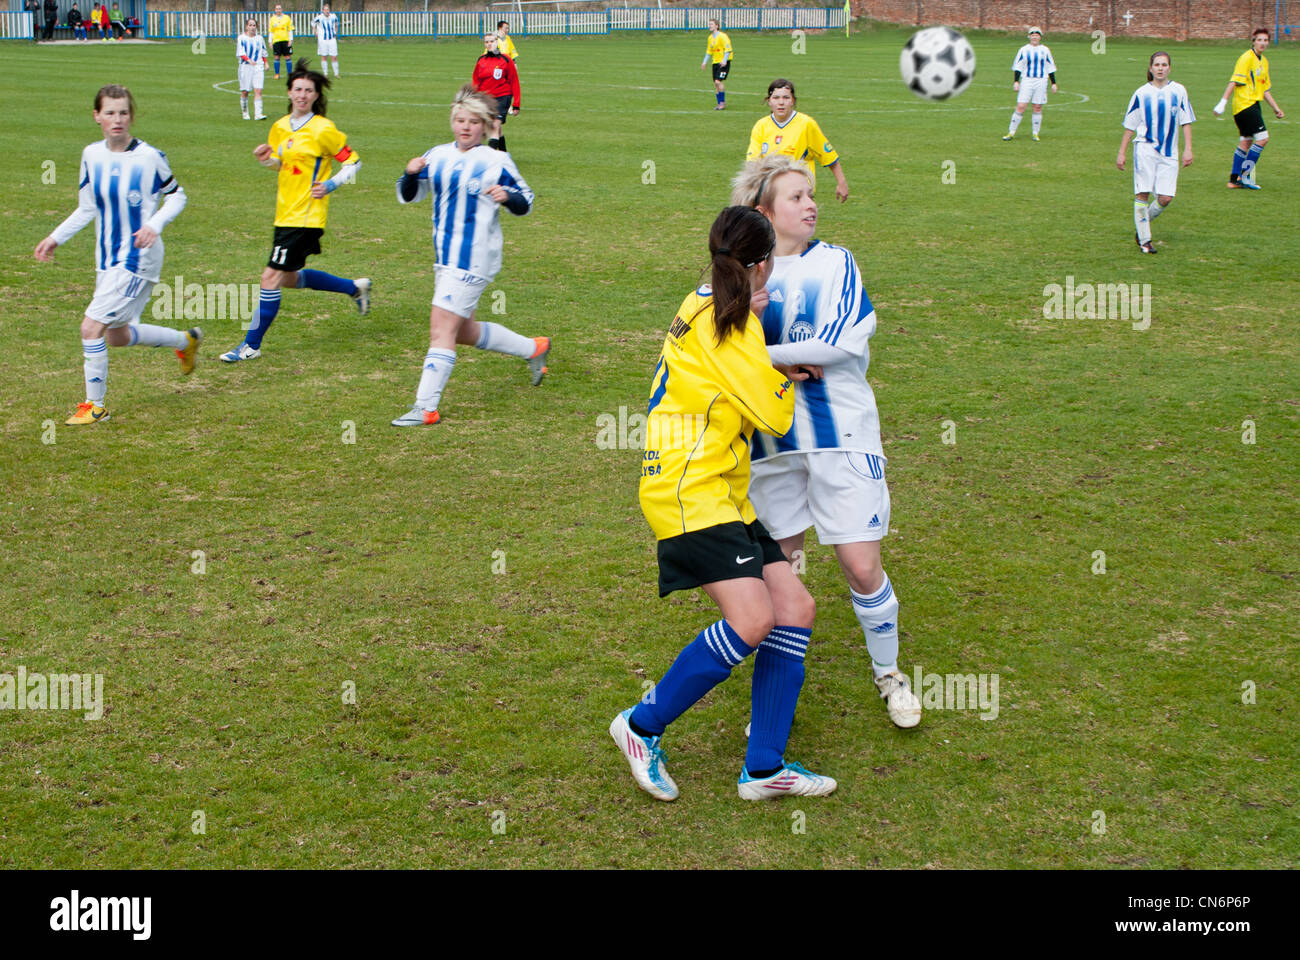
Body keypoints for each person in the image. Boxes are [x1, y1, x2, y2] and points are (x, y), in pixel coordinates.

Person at [610, 205, 835, 802]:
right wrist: (783, 365)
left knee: (795, 608)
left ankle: (763, 768)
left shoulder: (699, 302)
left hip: (720, 489)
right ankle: (639, 726)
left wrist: (764, 347)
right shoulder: (735, 327)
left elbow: (728, 358)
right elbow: (775, 413)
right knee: (753, 620)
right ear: (760, 267)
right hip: (690, 490)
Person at [731, 155, 923, 730]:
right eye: (795, 197)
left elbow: (837, 346)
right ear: (764, 213)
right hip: (769, 445)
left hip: (841, 435)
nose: (811, 204)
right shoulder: (739, 277)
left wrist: (763, 359)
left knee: (861, 567)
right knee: (780, 577)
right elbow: (711, 353)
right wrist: (782, 361)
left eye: (810, 195)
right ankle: (771, 709)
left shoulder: (836, 262)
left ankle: (889, 674)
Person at [32, 85, 200, 426]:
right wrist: (55, 237)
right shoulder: (91, 155)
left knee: (90, 327)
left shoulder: (149, 156)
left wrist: (154, 224)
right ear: (97, 116)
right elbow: (86, 208)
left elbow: (178, 196)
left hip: (139, 258)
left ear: (131, 116)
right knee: (116, 335)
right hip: (107, 258)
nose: (117, 119)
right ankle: (184, 341)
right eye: (109, 112)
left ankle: (96, 407)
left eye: (123, 112)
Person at [391, 84, 547, 427]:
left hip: (474, 257)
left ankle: (425, 407)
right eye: (460, 120)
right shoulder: (437, 155)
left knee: (440, 328)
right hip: (445, 258)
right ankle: (533, 348)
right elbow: (409, 194)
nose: (465, 127)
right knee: (463, 331)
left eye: (473, 122)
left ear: (486, 125)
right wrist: (411, 173)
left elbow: (526, 202)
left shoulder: (496, 161)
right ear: (452, 122)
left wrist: (508, 195)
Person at [219, 59, 369, 364]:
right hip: (284, 213)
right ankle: (354, 288)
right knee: (287, 278)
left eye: (308, 90)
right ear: (289, 92)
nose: (302, 94)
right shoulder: (279, 127)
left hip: (307, 215)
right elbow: (280, 163)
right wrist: (266, 159)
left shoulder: (323, 129)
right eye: (297, 89)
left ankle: (251, 345)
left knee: (270, 276)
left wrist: (331, 184)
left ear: (315, 96)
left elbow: (354, 162)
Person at [1117, 52, 1195, 255]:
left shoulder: (1179, 91)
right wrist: (1121, 152)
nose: (1160, 68)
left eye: (1164, 65)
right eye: (1157, 65)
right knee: (1142, 192)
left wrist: (1188, 148)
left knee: (1166, 197)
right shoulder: (1141, 93)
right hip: (1145, 149)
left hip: (1169, 153)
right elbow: (1130, 125)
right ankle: (1145, 240)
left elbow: (1186, 121)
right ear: (1151, 68)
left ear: (1170, 68)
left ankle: (1142, 224)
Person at [747, 79, 849, 203]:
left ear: (793, 101)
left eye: (786, 98)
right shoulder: (761, 126)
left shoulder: (806, 124)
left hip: (800, 191)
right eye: (776, 98)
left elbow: (827, 155)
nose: (781, 102)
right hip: (771, 191)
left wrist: (841, 182)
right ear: (769, 101)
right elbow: (753, 161)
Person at [1214, 27, 1285, 189]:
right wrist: (1222, 102)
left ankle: (1234, 180)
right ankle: (1245, 176)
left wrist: (1275, 108)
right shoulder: (1246, 58)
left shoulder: (1264, 62)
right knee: (1263, 139)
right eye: (1259, 40)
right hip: (1245, 104)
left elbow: (1265, 89)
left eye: (1265, 40)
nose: (1262, 43)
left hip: (1252, 105)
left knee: (1246, 142)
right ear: (1253, 41)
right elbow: (1234, 81)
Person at [1002, 27, 1057, 141]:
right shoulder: (1023, 50)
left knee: (1037, 106)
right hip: (1027, 80)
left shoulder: (1045, 50)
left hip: (1041, 80)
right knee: (1021, 106)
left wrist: (1053, 83)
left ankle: (1035, 133)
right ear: (1029, 36)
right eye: (1032, 35)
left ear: (1040, 37)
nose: (1035, 37)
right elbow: (1018, 66)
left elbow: (1050, 67)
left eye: (1037, 35)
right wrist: (1016, 81)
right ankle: (1011, 132)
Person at [471, 34, 521, 152]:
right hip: (486, 99)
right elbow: (476, 81)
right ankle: (504, 154)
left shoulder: (505, 59)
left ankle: (489, 157)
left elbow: (514, 81)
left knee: (494, 125)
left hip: (502, 97)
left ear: (497, 42)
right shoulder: (481, 60)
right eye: (486, 42)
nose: (489, 44)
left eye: (492, 41)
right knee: (496, 129)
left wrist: (516, 104)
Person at [237, 18, 269, 121]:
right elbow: (241, 52)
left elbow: (263, 52)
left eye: (254, 25)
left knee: (258, 90)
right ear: (246, 26)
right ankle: (245, 112)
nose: (252, 27)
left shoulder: (260, 38)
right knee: (245, 91)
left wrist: (266, 63)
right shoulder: (241, 38)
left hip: (258, 66)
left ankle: (258, 114)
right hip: (245, 67)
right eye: (250, 25)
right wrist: (248, 60)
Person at [700, 18, 732, 110]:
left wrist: (725, 60)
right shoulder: (710, 38)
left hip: (723, 63)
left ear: (717, 26)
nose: (709, 26)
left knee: (718, 81)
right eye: (709, 24)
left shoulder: (723, 36)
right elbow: (709, 51)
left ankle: (722, 103)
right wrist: (704, 62)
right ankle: (719, 103)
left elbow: (728, 49)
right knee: (716, 84)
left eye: (711, 24)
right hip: (715, 62)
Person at [313, 3, 340, 78]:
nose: (326, 11)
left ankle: (336, 74)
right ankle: (325, 74)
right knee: (324, 56)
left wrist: (335, 33)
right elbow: (313, 24)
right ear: (322, 10)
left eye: (327, 9)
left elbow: (337, 25)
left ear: (329, 10)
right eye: (325, 9)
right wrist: (315, 32)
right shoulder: (319, 18)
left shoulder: (333, 17)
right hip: (323, 40)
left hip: (332, 39)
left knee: (334, 56)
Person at [269, 4, 294, 81]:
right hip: (276, 40)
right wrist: (270, 41)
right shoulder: (272, 19)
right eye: (277, 9)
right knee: (276, 57)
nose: (278, 10)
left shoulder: (287, 18)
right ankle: (277, 74)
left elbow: (290, 29)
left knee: (287, 57)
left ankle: (290, 74)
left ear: (281, 9)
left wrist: (291, 39)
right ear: (275, 10)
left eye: (279, 8)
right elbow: (271, 31)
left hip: (285, 40)